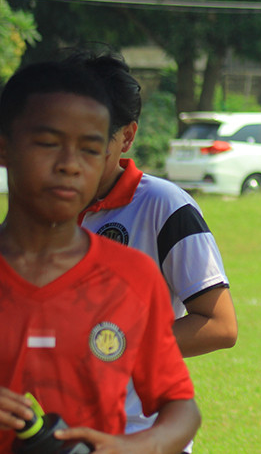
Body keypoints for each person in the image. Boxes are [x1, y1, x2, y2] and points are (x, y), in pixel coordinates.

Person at [0, 60, 201, 453]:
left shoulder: (132, 278)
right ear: (4, 148)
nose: (70, 165)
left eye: (90, 149)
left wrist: (135, 446)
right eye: (47, 143)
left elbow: (181, 407)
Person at [65, 49, 237, 453]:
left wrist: (110, 346)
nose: (72, 160)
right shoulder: (43, 208)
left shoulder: (164, 206)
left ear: (127, 136)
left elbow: (220, 324)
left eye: (90, 144)